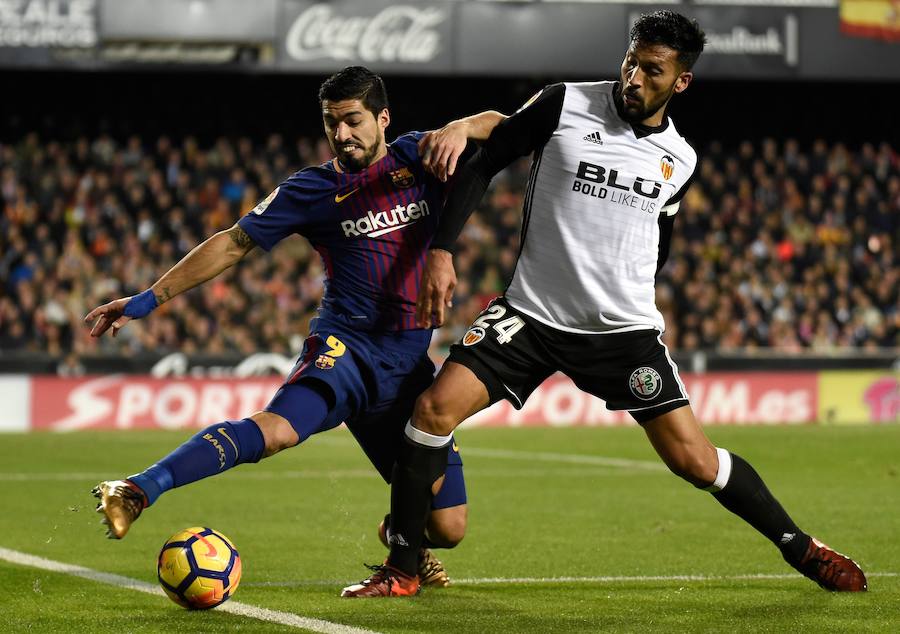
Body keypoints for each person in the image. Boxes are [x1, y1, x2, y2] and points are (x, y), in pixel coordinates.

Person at [342, 11, 868, 597]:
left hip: (623, 334)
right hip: (531, 316)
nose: (634, 77)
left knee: (695, 462)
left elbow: (659, 235)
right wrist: (442, 249)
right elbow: (488, 158)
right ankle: (404, 566)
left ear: (681, 81)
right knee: (431, 411)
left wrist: (626, 285)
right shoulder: (564, 103)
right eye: (631, 61)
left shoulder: (680, 160)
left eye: (652, 69)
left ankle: (803, 549)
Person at [87, 66, 505, 591]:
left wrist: (463, 126)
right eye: (332, 123)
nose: (342, 134)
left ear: (383, 118)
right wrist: (147, 299)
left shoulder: (417, 156)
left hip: (407, 371)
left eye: (353, 121)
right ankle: (136, 489)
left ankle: (404, 540)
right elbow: (232, 243)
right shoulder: (311, 188)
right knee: (277, 431)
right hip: (345, 349)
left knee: (448, 528)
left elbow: (505, 125)